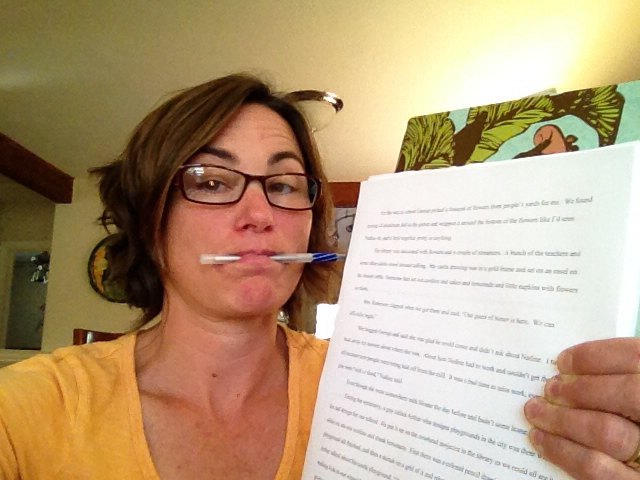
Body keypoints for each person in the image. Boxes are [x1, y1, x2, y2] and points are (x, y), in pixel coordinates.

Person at [0, 73, 639, 480]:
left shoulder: (378, 384)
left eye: (284, 184)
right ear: (149, 217)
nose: (260, 214)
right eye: (212, 181)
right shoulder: (29, 410)